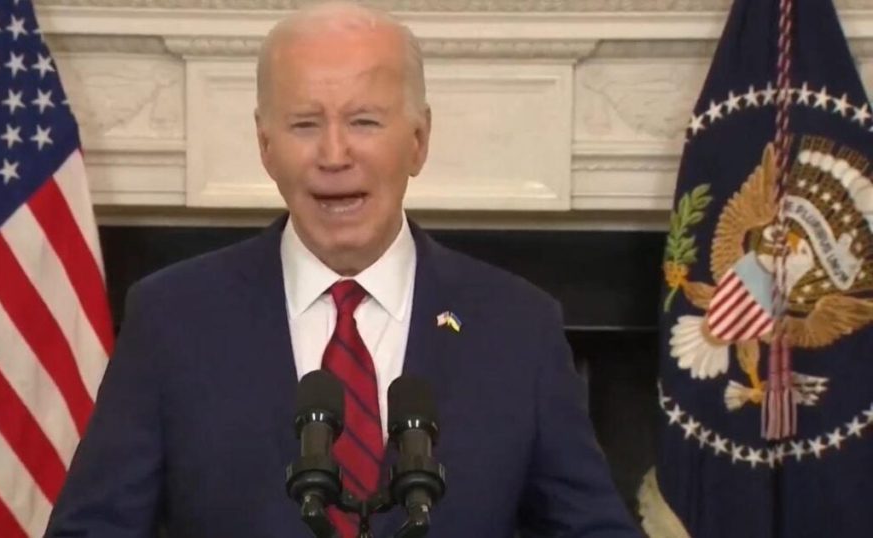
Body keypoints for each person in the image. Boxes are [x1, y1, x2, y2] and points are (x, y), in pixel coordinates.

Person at [44, 1, 640, 536]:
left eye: (364, 122)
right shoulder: (172, 319)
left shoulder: (518, 328)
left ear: (418, 140)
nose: (334, 155)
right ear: (265, 145)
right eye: (305, 124)